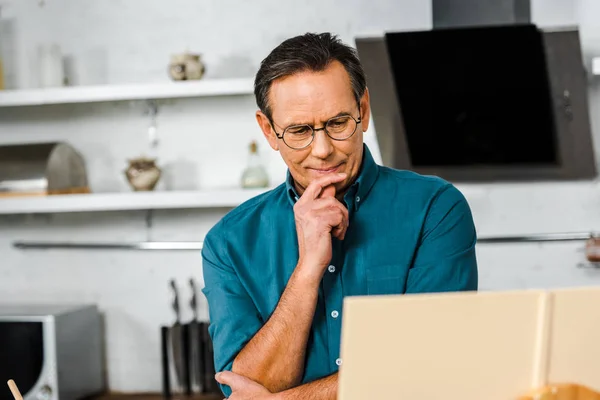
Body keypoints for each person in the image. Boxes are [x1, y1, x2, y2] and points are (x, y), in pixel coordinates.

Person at [201, 32, 478, 400]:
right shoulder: (228, 243)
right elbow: (245, 386)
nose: (322, 150)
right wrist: (307, 270)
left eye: (337, 123)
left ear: (363, 110)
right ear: (269, 131)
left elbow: (433, 363)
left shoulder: (436, 209)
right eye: (299, 130)